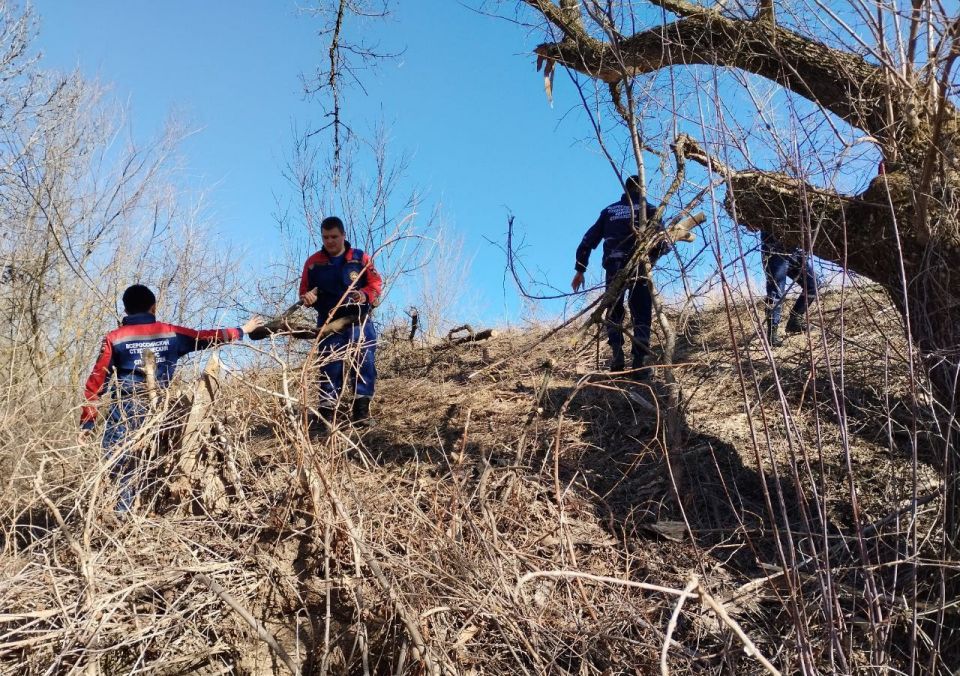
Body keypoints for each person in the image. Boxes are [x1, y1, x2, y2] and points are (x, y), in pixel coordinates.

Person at [80, 284, 263, 512]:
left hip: (124, 408)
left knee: (119, 463)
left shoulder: (114, 338)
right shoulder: (170, 332)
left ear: (125, 311)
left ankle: (122, 514)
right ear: (153, 307)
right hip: (161, 409)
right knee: (152, 462)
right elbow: (205, 337)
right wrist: (242, 329)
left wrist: (88, 421)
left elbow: (98, 381)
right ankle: (149, 510)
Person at [571, 176, 667, 378]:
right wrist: (654, 256)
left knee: (614, 309)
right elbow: (663, 242)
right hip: (640, 265)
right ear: (642, 189)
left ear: (626, 188)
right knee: (641, 311)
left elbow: (588, 240)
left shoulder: (609, 211)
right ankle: (639, 361)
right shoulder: (649, 210)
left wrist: (580, 269)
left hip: (614, 266)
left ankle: (616, 354)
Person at [299, 216, 383, 424]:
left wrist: (365, 295)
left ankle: (361, 411)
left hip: (358, 319)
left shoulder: (360, 258)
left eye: (334, 236)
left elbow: (376, 283)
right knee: (329, 363)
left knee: (364, 359)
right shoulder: (313, 263)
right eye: (326, 237)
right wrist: (308, 298)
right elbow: (304, 292)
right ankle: (327, 414)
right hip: (329, 323)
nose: (330, 241)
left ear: (343, 235)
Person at [761, 232, 819, 347]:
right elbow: (751, 227)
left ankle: (795, 320)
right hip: (774, 250)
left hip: (796, 252)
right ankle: (772, 334)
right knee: (776, 292)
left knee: (813, 285)